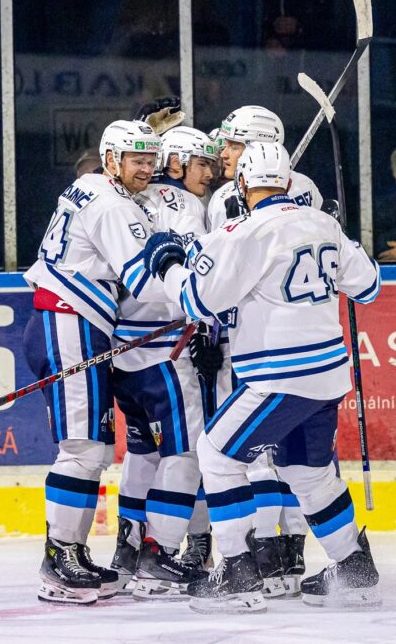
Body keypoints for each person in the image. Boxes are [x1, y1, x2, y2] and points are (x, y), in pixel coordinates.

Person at [143, 141, 383, 613]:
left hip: (279, 376)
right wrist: (340, 238)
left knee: (216, 454)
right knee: (308, 472)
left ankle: (236, 571)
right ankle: (354, 568)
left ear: (242, 184)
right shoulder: (323, 224)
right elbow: (369, 286)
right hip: (327, 374)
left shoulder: (245, 233)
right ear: (288, 182)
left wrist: (168, 266)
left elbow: (198, 302)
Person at [22, 120, 170, 605]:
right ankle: (58, 558)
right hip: (69, 322)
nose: (146, 169)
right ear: (111, 160)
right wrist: (205, 292)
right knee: (83, 449)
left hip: (72, 322)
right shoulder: (113, 205)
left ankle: (73, 552)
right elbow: (144, 281)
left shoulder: (92, 186)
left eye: (151, 160)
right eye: (137, 160)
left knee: (96, 450)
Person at [205, 105, 320, 598]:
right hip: (302, 345)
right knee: (289, 454)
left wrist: (206, 325)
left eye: (233, 144)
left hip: (258, 344)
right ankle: (286, 552)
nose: (224, 153)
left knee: (252, 452)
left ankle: (265, 552)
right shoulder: (307, 190)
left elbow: (218, 278)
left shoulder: (228, 199)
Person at [109, 125, 222, 600]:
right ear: (175, 162)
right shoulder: (185, 206)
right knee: (188, 453)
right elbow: (196, 275)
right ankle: (162, 554)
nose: (210, 174)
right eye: (202, 164)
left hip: (124, 352)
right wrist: (209, 324)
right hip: (166, 353)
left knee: (142, 453)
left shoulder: (124, 198)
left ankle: (128, 551)